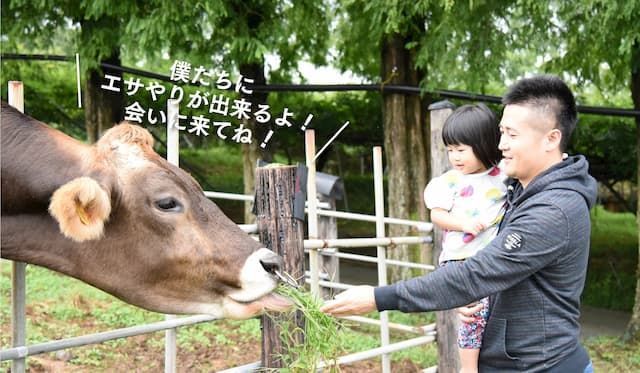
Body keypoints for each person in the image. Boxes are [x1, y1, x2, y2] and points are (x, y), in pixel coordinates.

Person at [321, 75, 597, 372]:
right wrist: (485, 299)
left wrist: (378, 297)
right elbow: (500, 274)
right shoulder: (519, 191)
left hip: (541, 366)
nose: (501, 144)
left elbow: (478, 273)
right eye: (501, 132)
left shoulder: (552, 210)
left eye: (512, 135)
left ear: (551, 139)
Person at [424, 103, 506, 373]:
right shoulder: (450, 181)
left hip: (490, 259)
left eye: (461, 149)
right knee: (472, 313)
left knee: (491, 311)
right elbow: (436, 215)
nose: (454, 157)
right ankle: (468, 368)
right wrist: (464, 224)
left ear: (484, 144)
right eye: (450, 150)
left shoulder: (503, 176)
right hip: (459, 259)